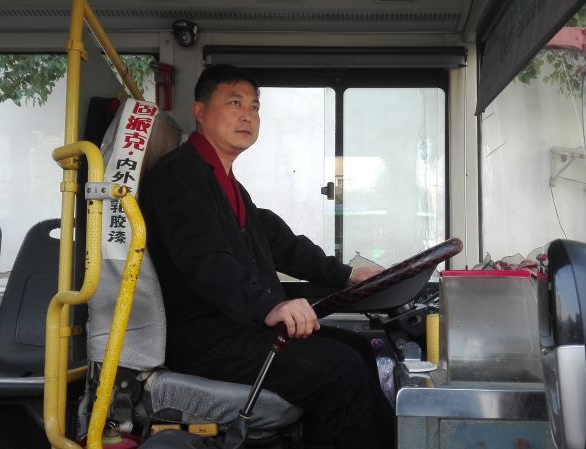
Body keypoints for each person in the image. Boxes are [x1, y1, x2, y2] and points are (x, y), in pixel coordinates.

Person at [139, 64, 395, 449]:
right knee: (341, 370)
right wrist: (269, 305)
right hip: (207, 339)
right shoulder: (180, 176)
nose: (248, 115)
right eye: (235, 103)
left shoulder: (227, 185)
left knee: (360, 349)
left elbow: (277, 242)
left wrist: (346, 275)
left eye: (254, 106)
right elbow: (206, 260)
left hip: (237, 328)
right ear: (199, 111)